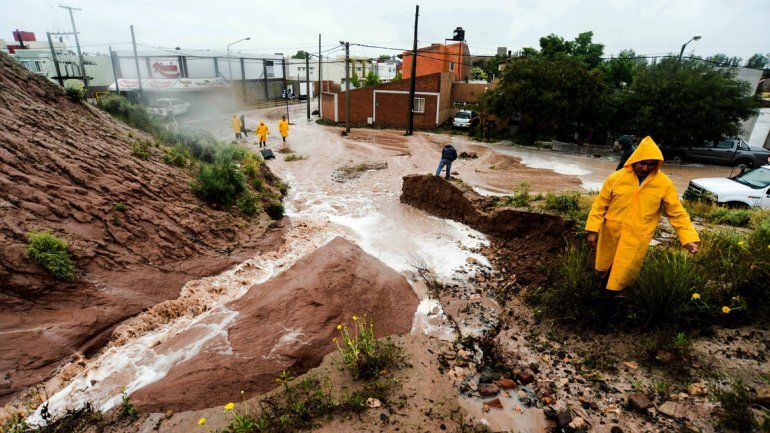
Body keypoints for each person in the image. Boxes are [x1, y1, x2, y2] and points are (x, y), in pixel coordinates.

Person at [586, 136, 699, 292]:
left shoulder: (664, 184)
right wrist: (593, 230)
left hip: (636, 236)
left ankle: (616, 301)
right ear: (635, 160)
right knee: (602, 269)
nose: (645, 168)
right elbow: (599, 205)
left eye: (651, 165)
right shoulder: (616, 178)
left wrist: (688, 238)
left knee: (623, 275)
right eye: (642, 163)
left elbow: (677, 212)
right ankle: (594, 298)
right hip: (610, 233)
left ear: (657, 165)